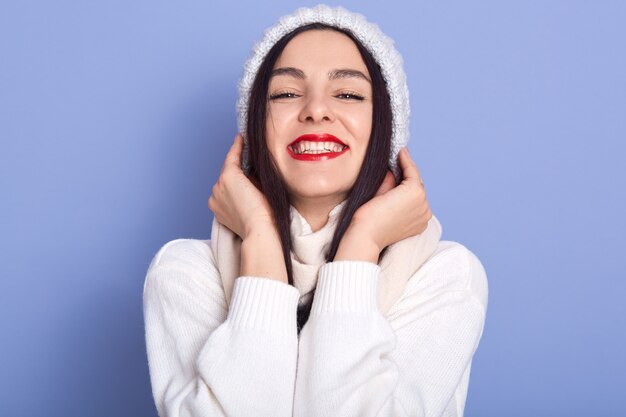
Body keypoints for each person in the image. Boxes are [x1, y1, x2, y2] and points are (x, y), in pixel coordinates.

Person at [143, 4, 488, 417]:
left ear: (386, 129)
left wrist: (362, 241)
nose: (316, 110)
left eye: (348, 94)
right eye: (287, 93)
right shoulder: (184, 273)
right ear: (254, 126)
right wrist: (259, 236)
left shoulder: (446, 275)